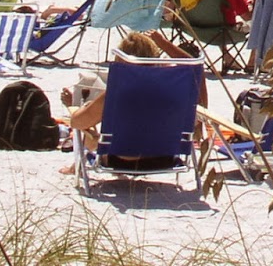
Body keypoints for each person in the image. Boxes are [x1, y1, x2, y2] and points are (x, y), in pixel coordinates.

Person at [58, 30, 206, 173]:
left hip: (121, 161)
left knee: (92, 134)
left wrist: (75, 106)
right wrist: (163, 43)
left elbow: (77, 122)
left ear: (121, 60)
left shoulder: (117, 93)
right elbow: (195, 67)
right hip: (166, 159)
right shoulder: (177, 91)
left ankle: (74, 168)